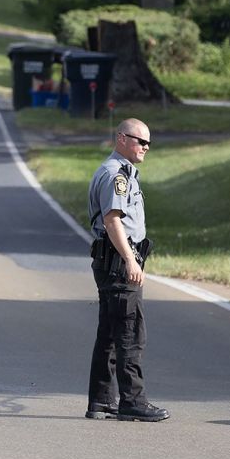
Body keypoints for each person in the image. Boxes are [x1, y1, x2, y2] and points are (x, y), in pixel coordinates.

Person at [85, 118, 169, 422]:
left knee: (108, 332)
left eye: (148, 142)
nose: (146, 147)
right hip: (120, 261)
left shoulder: (121, 173)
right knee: (130, 332)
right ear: (121, 138)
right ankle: (132, 401)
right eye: (140, 141)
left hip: (111, 261)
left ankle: (101, 400)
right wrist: (131, 260)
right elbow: (112, 220)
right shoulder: (115, 175)